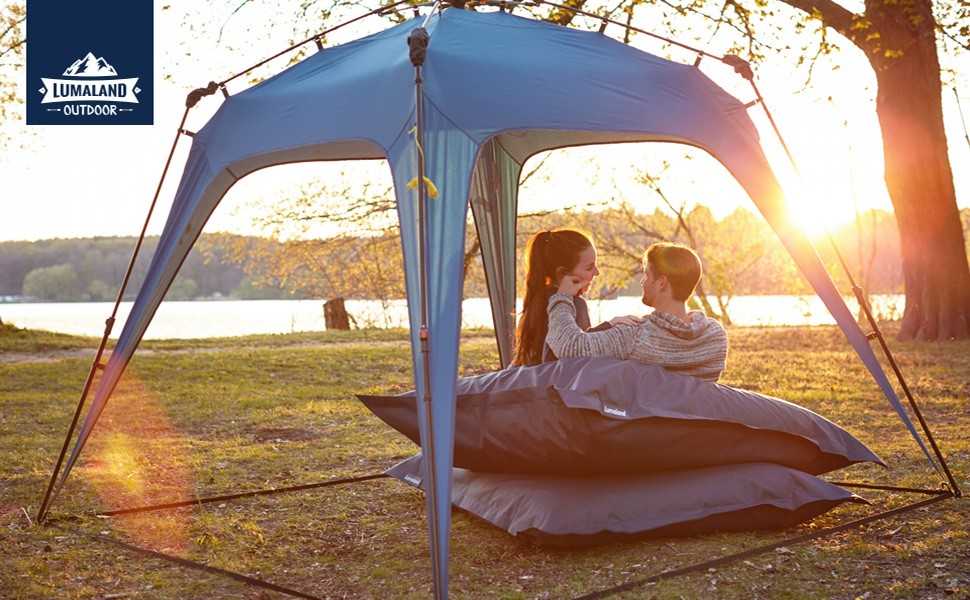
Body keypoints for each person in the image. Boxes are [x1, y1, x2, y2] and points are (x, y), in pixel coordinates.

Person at [545, 242, 728, 382]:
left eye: (647, 274)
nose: (642, 282)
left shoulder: (635, 336)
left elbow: (570, 346)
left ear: (662, 283)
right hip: (693, 427)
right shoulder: (715, 337)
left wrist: (562, 297)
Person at [512, 229, 601, 366]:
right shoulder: (575, 305)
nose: (597, 272)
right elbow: (581, 363)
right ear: (562, 274)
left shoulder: (536, 300)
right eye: (589, 268)